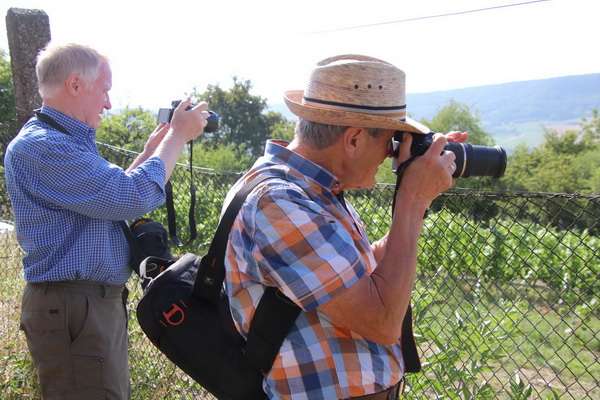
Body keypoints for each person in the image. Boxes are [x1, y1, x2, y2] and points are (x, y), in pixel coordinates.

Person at [222, 54, 468, 399]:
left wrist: (421, 198)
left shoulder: (315, 190)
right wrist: (411, 202)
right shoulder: (278, 201)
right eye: (390, 140)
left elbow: (360, 273)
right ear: (353, 139)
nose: (390, 155)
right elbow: (381, 321)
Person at [4, 42, 210, 399]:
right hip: (75, 305)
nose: (109, 103)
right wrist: (177, 136)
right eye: (105, 89)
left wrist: (150, 153)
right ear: (74, 85)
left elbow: (111, 205)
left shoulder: (63, 142)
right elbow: (130, 197)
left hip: (84, 304)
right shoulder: (47, 146)